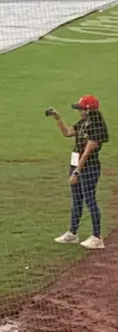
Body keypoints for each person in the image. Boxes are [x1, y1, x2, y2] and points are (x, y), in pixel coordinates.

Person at [49, 95, 109, 250]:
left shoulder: (97, 126)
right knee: (76, 201)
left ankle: (96, 237)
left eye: (81, 109)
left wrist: (76, 172)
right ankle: (72, 233)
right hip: (77, 165)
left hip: (88, 168)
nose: (79, 111)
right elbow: (68, 133)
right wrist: (58, 119)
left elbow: (87, 152)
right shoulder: (84, 123)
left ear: (88, 110)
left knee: (90, 200)